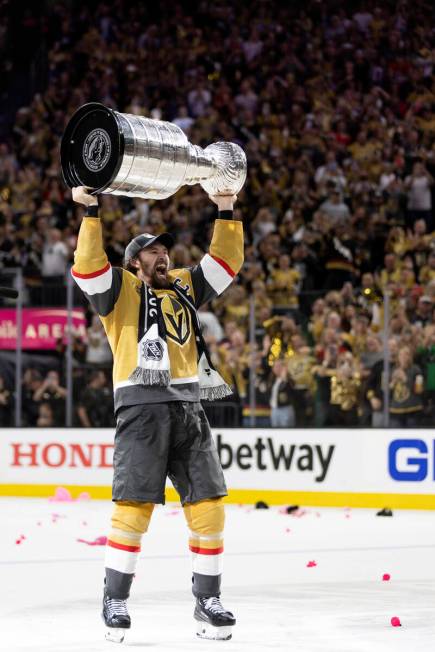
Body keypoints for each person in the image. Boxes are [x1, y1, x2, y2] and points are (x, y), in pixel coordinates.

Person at [71, 186, 244, 643]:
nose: (162, 255)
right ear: (134, 263)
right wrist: (90, 209)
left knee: (209, 507)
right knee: (134, 509)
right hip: (141, 409)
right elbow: (88, 267)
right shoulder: (120, 291)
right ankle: (115, 600)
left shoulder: (184, 284)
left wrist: (225, 206)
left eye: (165, 249)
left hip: (189, 408)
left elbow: (225, 263)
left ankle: (208, 601)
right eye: (151, 251)